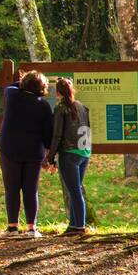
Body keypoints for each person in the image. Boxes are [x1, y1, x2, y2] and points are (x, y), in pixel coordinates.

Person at [0, 70, 54, 237]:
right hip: (33, 151)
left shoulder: (12, 95)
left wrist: (23, 82)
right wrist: (49, 154)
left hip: (10, 149)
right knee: (31, 190)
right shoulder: (43, 105)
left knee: (12, 189)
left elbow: (11, 86)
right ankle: (31, 228)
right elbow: (47, 134)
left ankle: (13, 227)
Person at [49, 77, 92, 235]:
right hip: (84, 153)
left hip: (69, 154)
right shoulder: (82, 106)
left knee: (74, 191)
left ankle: (79, 226)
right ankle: (74, 225)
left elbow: (57, 135)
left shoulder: (61, 108)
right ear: (72, 90)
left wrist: (50, 156)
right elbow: (87, 129)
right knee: (76, 189)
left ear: (58, 92)